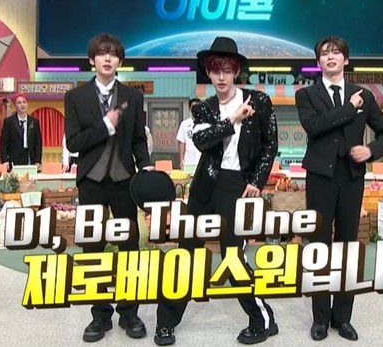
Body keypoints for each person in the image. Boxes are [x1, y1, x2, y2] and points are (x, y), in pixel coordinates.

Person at [155, 37, 279, 346]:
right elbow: (201, 141)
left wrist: (257, 181)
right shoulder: (204, 108)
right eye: (215, 70)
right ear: (208, 73)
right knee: (186, 252)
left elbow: (270, 145)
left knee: (232, 255)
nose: (221, 77)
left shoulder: (259, 101)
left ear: (236, 71)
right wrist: (233, 119)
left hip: (238, 186)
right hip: (204, 186)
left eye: (227, 70)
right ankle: (166, 322)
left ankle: (261, 320)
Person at [295, 36, 383, 342]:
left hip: (351, 177)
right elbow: (315, 127)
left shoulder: (364, 95)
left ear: (346, 60)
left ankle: (343, 317)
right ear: (318, 62)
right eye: (324, 54)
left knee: (348, 246)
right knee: (318, 246)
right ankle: (320, 319)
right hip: (320, 177)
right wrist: (350, 108)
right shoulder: (306, 95)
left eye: (336, 53)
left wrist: (371, 150)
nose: (330, 57)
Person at [64, 33, 152, 342]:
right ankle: (99, 315)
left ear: (119, 61)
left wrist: (146, 165)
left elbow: (138, 140)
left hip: (123, 180)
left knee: (129, 246)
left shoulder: (133, 96)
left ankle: (129, 312)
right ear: (92, 59)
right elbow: (74, 143)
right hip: (91, 181)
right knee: (92, 247)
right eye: (102, 53)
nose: (107, 58)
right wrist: (105, 126)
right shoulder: (75, 97)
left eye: (113, 54)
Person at [0, 93, 42, 170]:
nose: (22, 105)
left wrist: (38, 160)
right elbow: (3, 143)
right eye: (19, 103)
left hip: (30, 157)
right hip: (14, 158)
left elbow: (38, 143)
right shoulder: (9, 122)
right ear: (15, 105)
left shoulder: (34, 121)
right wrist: (5, 160)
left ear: (27, 104)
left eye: (24, 102)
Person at [176, 98, 202, 169]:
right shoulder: (184, 124)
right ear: (190, 109)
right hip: (189, 161)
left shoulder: (206, 123)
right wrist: (181, 160)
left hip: (202, 161)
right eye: (193, 107)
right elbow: (182, 143)